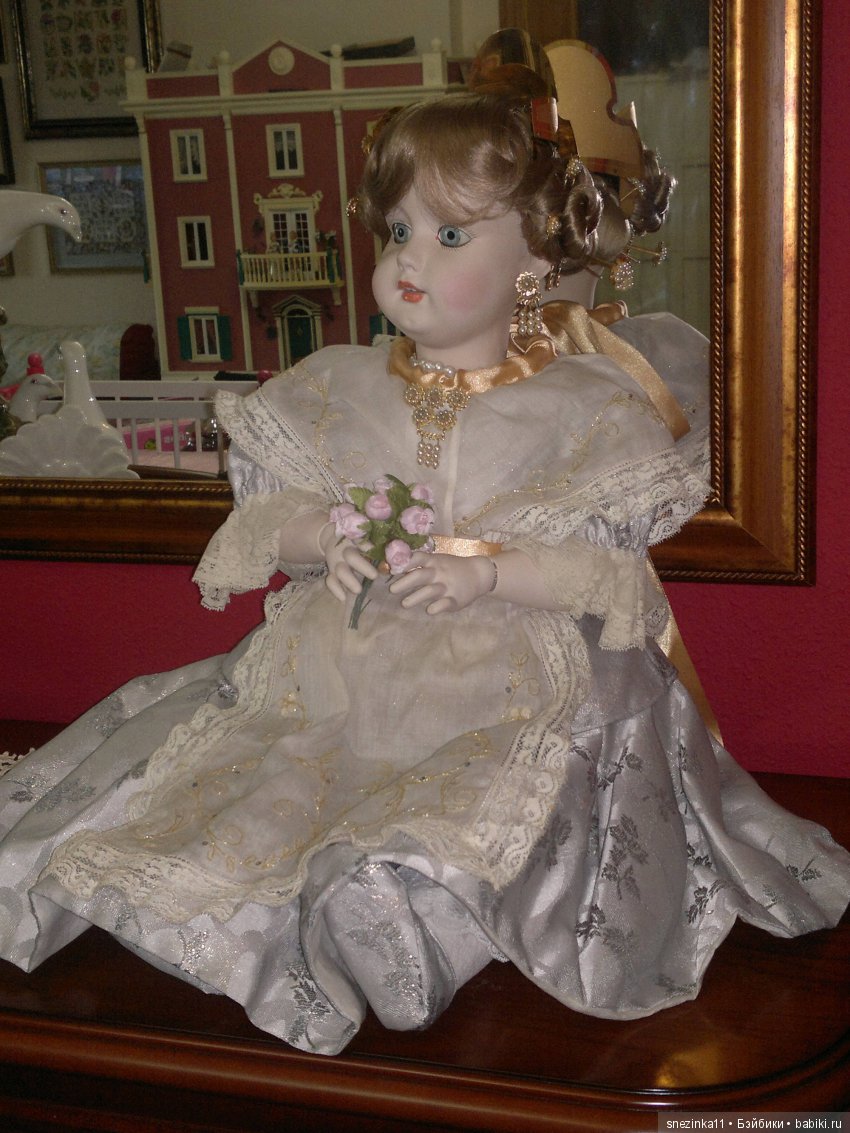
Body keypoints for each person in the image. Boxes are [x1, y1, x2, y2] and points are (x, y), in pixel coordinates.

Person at [0, 75, 848, 1059]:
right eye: (397, 230)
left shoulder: (582, 409)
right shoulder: (335, 387)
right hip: (343, 673)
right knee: (252, 781)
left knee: (492, 806)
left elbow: (602, 577)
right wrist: (324, 538)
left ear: (533, 260)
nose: (409, 258)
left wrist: (488, 574)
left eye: (449, 235)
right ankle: (289, 893)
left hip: (507, 678)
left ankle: (410, 921)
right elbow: (266, 520)